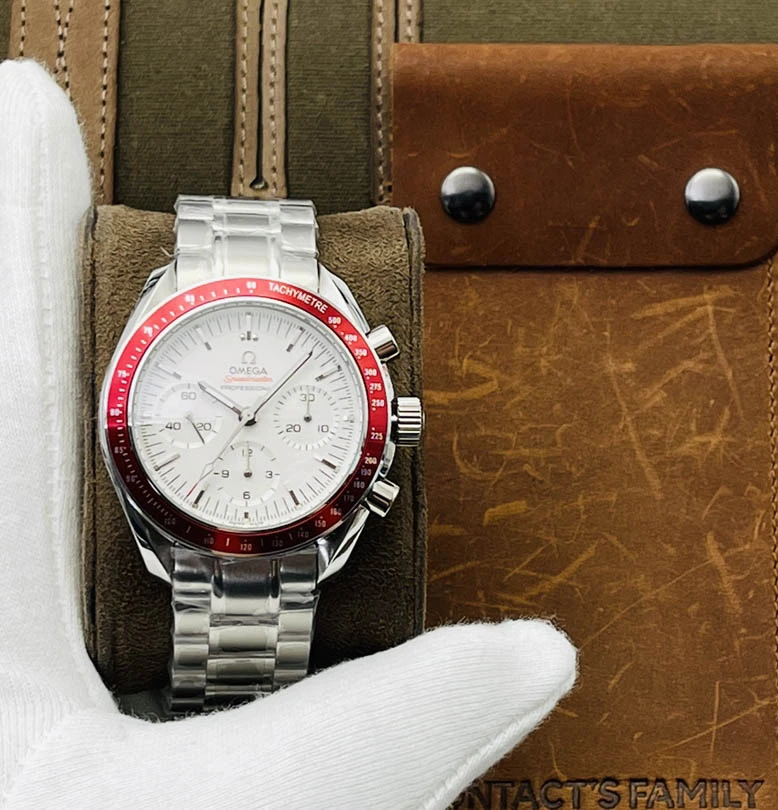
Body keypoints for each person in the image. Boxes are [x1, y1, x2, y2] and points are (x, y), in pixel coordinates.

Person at [0, 59, 576, 809]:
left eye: (259, 409)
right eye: (234, 407)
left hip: (271, 521)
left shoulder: (333, 406)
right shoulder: (142, 394)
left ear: (389, 421)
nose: (246, 415)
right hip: (186, 519)